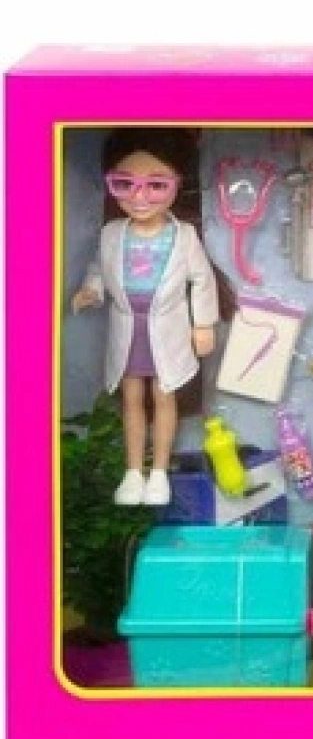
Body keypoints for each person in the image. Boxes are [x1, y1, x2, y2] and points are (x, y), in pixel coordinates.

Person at [72, 128, 221, 505]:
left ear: (177, 184)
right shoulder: (112, 233)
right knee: (131, 397)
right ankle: (133, 471)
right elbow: (100, 267)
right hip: (127, 327)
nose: (139, 197)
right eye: (125, 184)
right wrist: (91, 290)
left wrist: (203, 324)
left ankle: (159, 473)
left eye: (156, 185)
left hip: (168, 328)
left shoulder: (183, 236)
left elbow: (202, 278)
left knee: (164, 395)